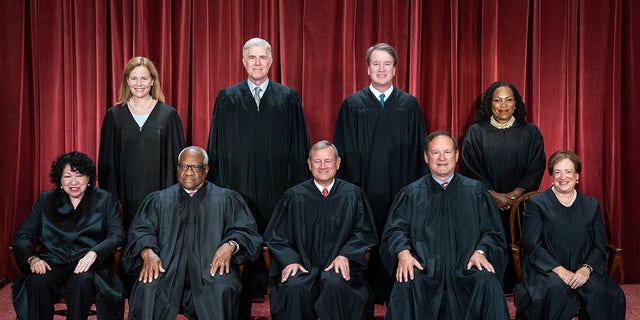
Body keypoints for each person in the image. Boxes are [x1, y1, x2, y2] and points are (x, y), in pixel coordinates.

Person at [206, 37, 310, 316]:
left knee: (277, 241)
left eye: (262, 58)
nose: (257, 63)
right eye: (251, 58)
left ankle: (279, 296)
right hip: (237, 186)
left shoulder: (288, 98)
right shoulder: (227, 97)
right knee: (241, 238)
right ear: (243, 62)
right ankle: (241, 299)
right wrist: (220, 189)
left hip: (278, 187)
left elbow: (300, 147)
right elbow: (215, 146)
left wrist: (297, 189)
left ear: (271, 62)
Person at [333, 42, 427, 304]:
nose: (381, 69)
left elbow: (421, 151)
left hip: (401, 189)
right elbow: (342, 152)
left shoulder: (409, 105)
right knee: (364, 236)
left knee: (399, 235)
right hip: (363, 189)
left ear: (395, 69)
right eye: (376, 63)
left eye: (387, 63)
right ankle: (365, 294)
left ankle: (398, 291)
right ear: (367, 68)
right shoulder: (353, 105)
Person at [122, 146, 263, 319]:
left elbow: (246, 230)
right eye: (183, 166)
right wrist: (147, 251)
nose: (188, 172)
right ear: (177, 168)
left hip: (210, 270)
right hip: (166, 269)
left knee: (222, 288)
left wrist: (230, 245)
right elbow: (141, 230)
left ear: (206, 170)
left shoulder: (226, 199)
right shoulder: (159, 200)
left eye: (195, 167)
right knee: (148, 287)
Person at [380, 131, 510, 319]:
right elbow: (395, 231)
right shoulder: (411, 193)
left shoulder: (476, 191)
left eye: (447, 152)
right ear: (426, 157)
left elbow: (492, 231)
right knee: (406, 282)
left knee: (488, 281)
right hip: (423, 271)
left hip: (467, 268)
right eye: (435, 153)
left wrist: (481, 252)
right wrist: (403, 253)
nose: (442, 158)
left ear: (456, 156)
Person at [264, 140, 378, 320]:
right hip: (303, 267)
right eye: (317, 161)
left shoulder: (353, 195)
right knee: (294, 288)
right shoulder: (294, 196)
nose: (323, 166)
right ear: (309, 164)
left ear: (338, 163)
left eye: (328, 161)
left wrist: (346, 254)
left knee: (336, 285)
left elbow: (365, 232)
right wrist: (291, 260)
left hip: (338, 267)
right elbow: (276, 236)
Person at [12, 151, 125, 319]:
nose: (73, 182)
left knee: (81, 281)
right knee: (37, 280)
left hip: (88, 265)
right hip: (53, 262)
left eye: (79, 176)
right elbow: (23, 235)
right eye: (67, 176)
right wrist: (33, 259)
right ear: (60, 180)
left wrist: (95, 253)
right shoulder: (46, 200)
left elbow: (117, 233)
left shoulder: (105, 200)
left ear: (88, 179)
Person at [514, 150, 626, 319]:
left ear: (577, 176)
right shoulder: (536, 204)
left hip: (583, 267)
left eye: (568, 172)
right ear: (551, 176)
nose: (562, 177)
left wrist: (586, 269)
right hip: (547, 270)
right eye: (557, 172)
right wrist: (560, 270)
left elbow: (598, 245)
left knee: (605, 293)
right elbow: (533, 245)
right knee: (553, 290)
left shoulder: (591, 205)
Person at [462, 81, 545, 292]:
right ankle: (490, 283)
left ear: (516, 104)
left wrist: (516, 195)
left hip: (521, 207)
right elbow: (470, 167)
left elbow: (536, 166)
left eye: (509, 100)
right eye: (497, 100)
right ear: (489, 104)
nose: (503, 105)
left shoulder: (530, 132)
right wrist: (492, 195)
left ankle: (521, 283)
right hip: (486, 202)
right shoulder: (476, 133)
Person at [99, 56, 185, 230]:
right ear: (127, 81)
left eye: (144, 78)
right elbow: (106, 164)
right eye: (134, 78)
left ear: (153, 81)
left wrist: (171, 201)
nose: (139, 83)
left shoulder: (168, 115)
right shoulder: (114, 116)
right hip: (124, 196)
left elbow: (177, 163)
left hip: (160, 196)